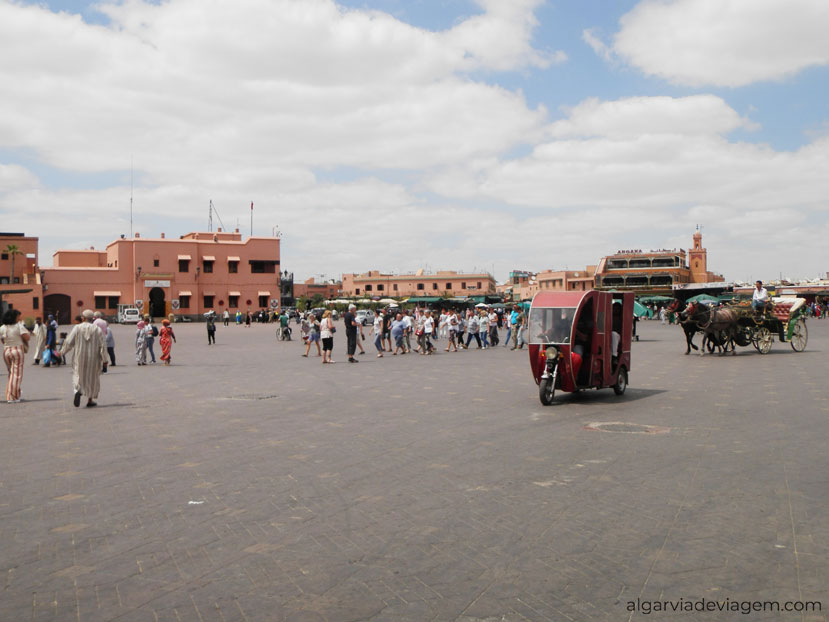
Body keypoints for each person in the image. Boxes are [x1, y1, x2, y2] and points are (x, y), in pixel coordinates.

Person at [60, 309, 106, 407]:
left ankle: (78, 390)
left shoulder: (77, 328)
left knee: (78, 374)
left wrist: (62, 352)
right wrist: (105, 360)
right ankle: (90, 400)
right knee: (92, 378)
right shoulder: (97, 329)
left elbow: (69, 342)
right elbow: (103, 345)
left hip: (79, 357)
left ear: (83, 318)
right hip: (94, 358)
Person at [1, 309, 30, 403]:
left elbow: (2, 340)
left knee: (11, 373)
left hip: (6, 351)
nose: (19, 318)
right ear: (14, 317)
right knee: (17, 374)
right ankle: (12, 397)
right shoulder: (18, 326)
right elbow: (27, 337)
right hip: (17, 350)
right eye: (18, 316)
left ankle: (15, 393)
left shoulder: (2, 327)